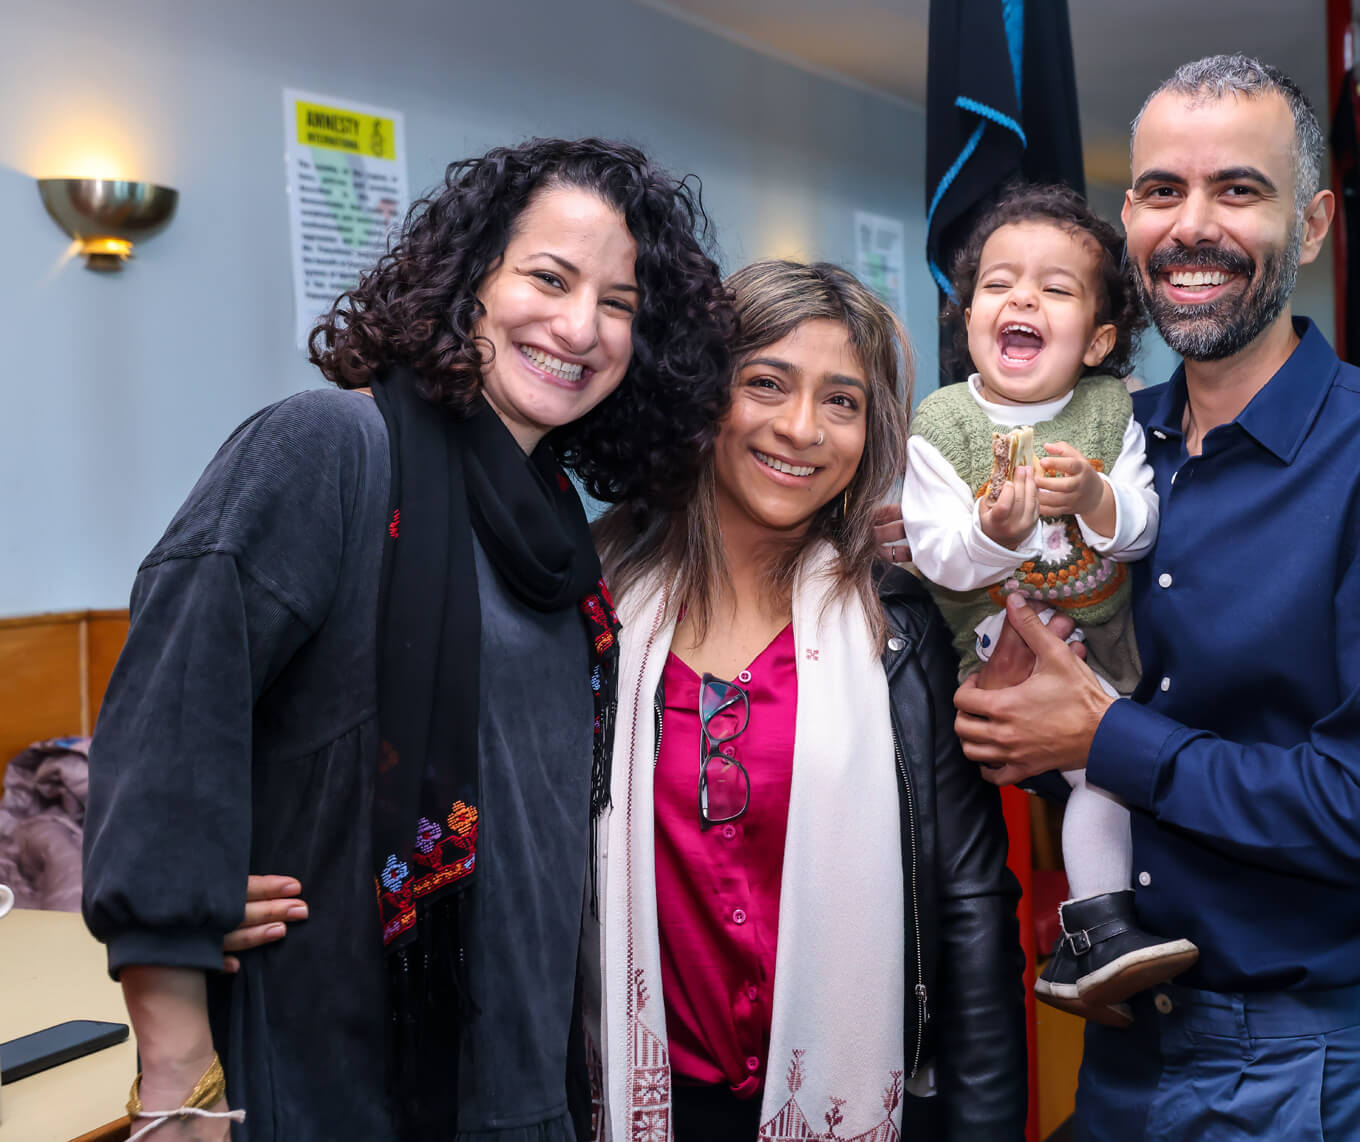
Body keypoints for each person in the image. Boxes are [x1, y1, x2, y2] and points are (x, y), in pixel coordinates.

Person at [80, 137, 733, 1142]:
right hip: (331, 1073)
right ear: (469, 282)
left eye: (618, 303)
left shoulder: (559, 529)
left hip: (519, 1077)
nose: (579, 327)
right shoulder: (331, 449)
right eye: (548, 278)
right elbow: (172, 726)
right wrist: (179, 1073)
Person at [952, 56, 1360, 1140]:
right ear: (1128, 220)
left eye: (1237, 190)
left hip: (1306, 1068)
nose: (1191, 225)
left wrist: (1104, 736)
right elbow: (1068, 716)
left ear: (1312, 225)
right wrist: (1011, 703)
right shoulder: (1102, 448)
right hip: (1119, 1041)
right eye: (1162, 190)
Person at [586, 260, 1027, 1140]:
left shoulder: (899, 628)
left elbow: (971, 905)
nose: (801, 428)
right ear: (703, 394)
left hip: (863, 1103)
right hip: (641, 1105)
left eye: (842, 401)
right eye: (765, 383)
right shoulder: (594, 609)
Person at [901, 184, 1196, 1025]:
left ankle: (1106, 936)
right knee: (1100, 773)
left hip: (1112, 646)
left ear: (1098, 339)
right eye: (998, 284)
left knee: (1126, 771)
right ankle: (1095, 929)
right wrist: (993, 534)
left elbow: (1141, 527)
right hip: (1006, 647)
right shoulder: (944, 423)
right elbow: (936, 554)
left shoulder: (1108, 410)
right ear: (967, 318)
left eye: (1055, 289)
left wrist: (1098, 498)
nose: (1022, 299)